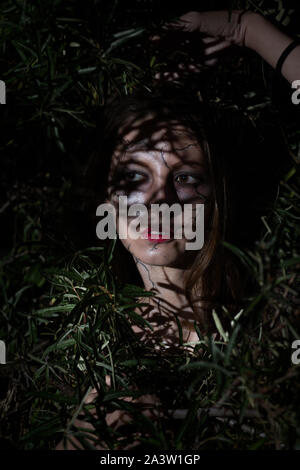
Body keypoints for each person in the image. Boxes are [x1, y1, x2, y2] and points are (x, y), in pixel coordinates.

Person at [56, 8, 299, 450]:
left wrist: (245, 29)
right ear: (106, 197)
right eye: (133, 177)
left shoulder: (276, 313)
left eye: (185, 177)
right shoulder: (79, 348)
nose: (156, 202)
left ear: (218, 193)